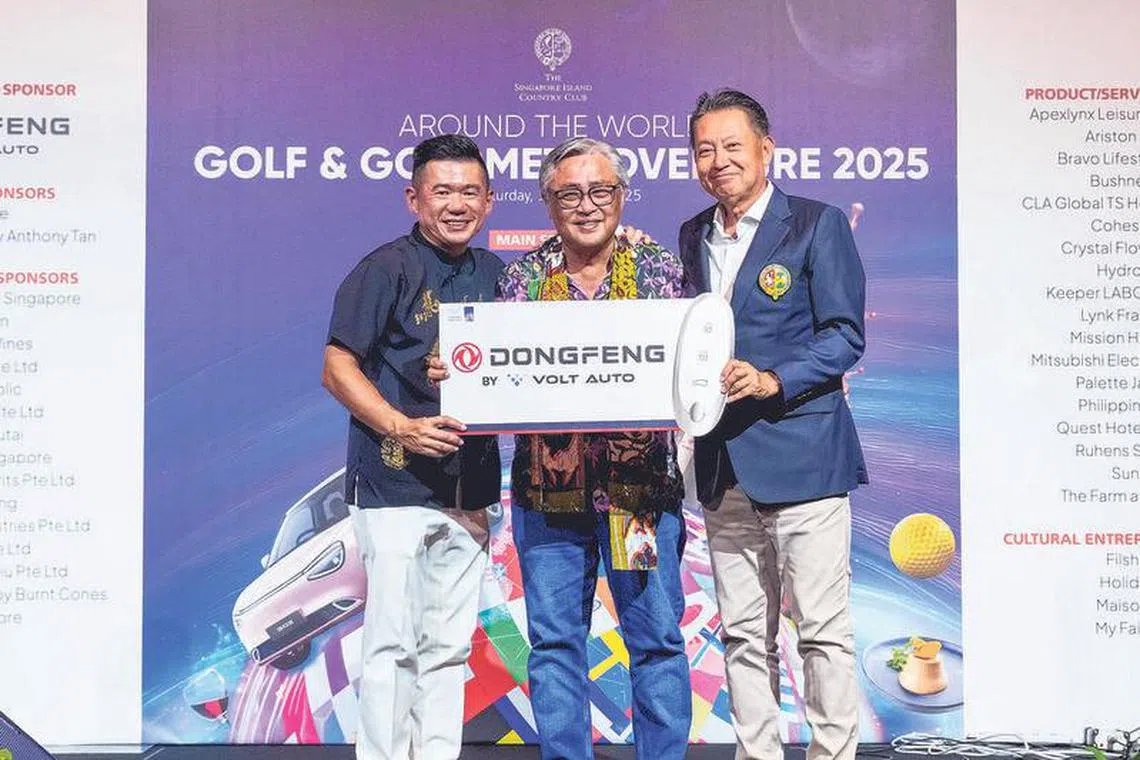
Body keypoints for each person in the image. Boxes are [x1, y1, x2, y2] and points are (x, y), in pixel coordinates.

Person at [446, 136, 691, 759]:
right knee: (556, 646)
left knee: (656, 640)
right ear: (548, 204)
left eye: (600, 191)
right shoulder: (521, 281)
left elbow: (691, 367)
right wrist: (460, 375)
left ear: (623, 196)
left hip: (637, 500)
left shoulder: (661, 272)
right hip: (549, 499)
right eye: (569, 194)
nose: (587, 205)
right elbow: (494, 375)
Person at [678, 89, 868, 760]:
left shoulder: (817, 225)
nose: (718, 161)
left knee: (821, 631)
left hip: (805, 456)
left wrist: (772, 379)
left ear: (766, 149)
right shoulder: (693, 234)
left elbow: (844, 335)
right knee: (740, 633)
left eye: (732, 146)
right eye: (704, 150)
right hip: (723, 463)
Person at [321, 133, 503, 760]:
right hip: (393, 483)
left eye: (470, 192)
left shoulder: (497, 274)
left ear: (489, 201)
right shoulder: (385, 269)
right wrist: (399, 425)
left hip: (470, 488)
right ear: (414, 198)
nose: (457, 204)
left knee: (449, 648)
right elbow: (337, 367)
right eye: (442, 191)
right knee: (392, 644)